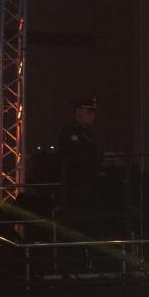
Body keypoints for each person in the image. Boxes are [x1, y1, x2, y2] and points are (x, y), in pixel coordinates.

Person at [57, 98, 103, 229]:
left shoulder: (87, 133)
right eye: (89, 112)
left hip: (88, 187)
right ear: (79, 111)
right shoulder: (70, 132)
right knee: (77, 224)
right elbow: (76, 156)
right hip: (76, 188)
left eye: (94, 113)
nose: (93, 116)